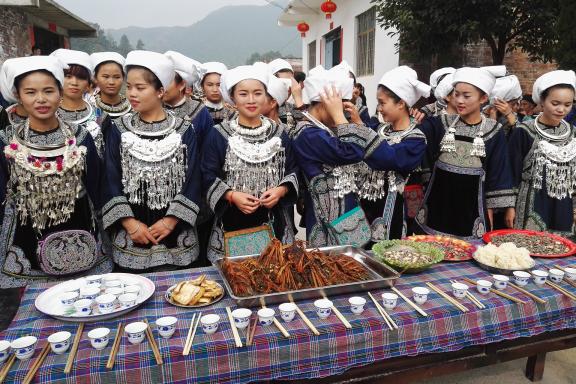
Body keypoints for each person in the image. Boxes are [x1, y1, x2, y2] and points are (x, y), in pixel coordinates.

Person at [0, 56, 110, 288]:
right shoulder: (6, 141)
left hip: (82, 233)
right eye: (30, 92)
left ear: (59, 93)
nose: (41, 99)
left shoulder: (80, 137)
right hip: (25, 240)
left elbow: (98, 187)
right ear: (18, 96)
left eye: (48, 91)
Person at [102, 50, 202, 271]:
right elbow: (110, 177)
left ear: (160, 91)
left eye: (140, 88)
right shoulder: (118, 128)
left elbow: (193, 178)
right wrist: (129, 224)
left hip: (174, 230)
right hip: (132, 231)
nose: (132, 94)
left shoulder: (184, 129)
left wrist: (171, 221)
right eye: (129, 87)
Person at [201, 64, 298, 262]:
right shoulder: (219, 134)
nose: (252, 100)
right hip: (232, 221)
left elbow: (293, 169)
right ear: (233, 98)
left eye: (258, 93)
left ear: (266, 96)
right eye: (243, 94)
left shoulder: (279, 133)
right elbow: (207, 174)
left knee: (276, 273)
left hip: (274, 219)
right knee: (238, 277)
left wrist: (281, 191)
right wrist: (231, 195)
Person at [416, 67, 516, 239]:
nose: (460, 100)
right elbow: (416, 141)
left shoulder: (493, 131)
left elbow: (498, 171)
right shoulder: (439, 124)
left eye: (467, 96)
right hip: (439, 202)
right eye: (456, 94)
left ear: (483, 98)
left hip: (472, 209)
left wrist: (493, 209)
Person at [292, 63, 377, 246]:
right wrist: (338, 115)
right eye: (340, 107)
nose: (344, 115)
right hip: (327, 222)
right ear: (325, 103)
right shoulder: (308, 133)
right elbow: (352, 152)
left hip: (347, 215)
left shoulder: (323, 129)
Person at [358, 66, 429, 242]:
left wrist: (362, 131)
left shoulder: (415, 139)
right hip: (366, 205)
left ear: (401, 103)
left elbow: (392, 159)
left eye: (383, 103)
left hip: (394, 210)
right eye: (378, 103)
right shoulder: (379, 128)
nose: (379, 108)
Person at [509, 70, 576, 236]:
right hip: (531, 203)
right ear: (542, 101)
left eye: (567, 105)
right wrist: (509, 207)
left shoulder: (573, 134)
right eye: (555, 103)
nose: (561, 109)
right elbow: (511, 172)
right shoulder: (524, 132)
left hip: (564, 205)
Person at [51, 49, 104, 158]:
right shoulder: (48, 116)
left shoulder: (100, 115)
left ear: (88, 83)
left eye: (81, 77)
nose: (74, 83)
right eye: (68, 76)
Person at [164, 51, 214, 147]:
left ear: (182, 84)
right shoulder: (153, 108)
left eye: (168, 81)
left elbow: (208, 149)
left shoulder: (200, 112)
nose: (162, 86)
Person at [89, 52, 132, 137]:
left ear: (123, 78)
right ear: (95, 78)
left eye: (117, 77)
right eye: (105, 77)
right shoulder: (89, 109)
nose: (111, 82)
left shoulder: (133, 109)